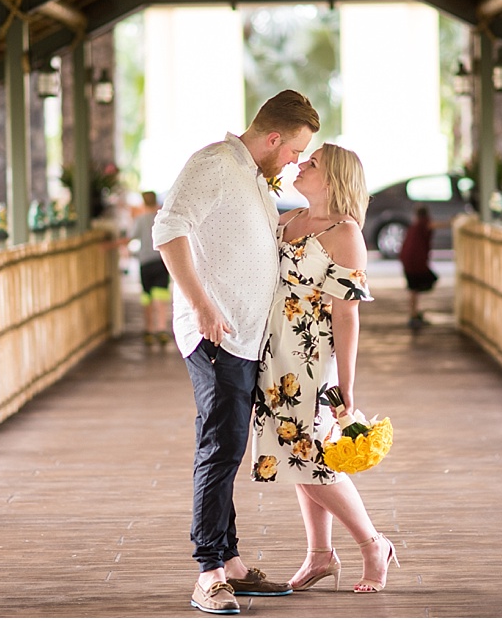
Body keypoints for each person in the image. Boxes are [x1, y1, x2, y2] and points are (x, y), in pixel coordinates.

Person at [152, 89, 320, 615]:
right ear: (273, 138)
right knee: (220, 447)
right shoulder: (215, 164)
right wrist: (200, 305)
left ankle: (234, 565)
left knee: (230, 448)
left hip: (246, 336)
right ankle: (209, 573)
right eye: (294, 150)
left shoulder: (250, 175)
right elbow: (167, 229)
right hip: (216, 334)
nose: (294, 161)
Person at [250, 143, 399, 594]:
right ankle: (320, 554)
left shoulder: (345, 232)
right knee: (295, 457)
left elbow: (346, 313)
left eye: (311, 163)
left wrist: (346, 386)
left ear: (333, 178)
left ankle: (373, 544)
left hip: (312, 362)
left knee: (311, 458)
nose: (299, 164)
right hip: (272, 354)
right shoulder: (287, 219)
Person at [131, 191, 172, 346]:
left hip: (145, 262)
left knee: (146, 296)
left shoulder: (140, 220)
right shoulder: (162, 218)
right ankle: (162, 328)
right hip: (161, 261)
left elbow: (131, 236)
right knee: (161, 296)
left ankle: (149, 329)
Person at [399, 204, 439, 328]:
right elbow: (433, 226)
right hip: (416, 262)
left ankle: (414, 313)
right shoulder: (423, 224)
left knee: (413, 289)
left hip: (408, 261)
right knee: (415, 288)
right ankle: (413, 315)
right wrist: (452, 222)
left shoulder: (414, 226)